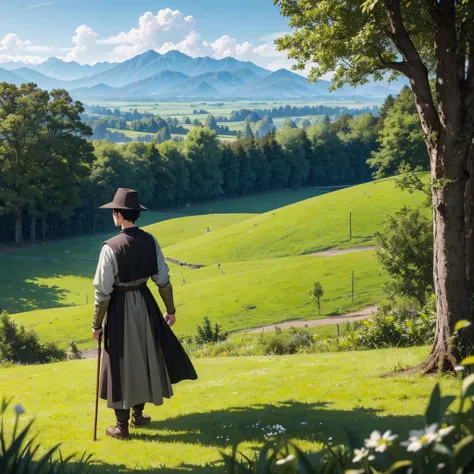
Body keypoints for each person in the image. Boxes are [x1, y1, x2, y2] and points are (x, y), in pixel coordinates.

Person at [91, 188, 197, 440]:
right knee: (144, 357)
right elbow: (163, 280)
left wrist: (96, 325)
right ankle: (137, 416)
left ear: (118, 214)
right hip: (146, 304)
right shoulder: (150, 240)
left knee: (121, 362)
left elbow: (102, 292)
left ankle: (122, 426)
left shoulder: (110, 248)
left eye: (113, 212)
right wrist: (170, 310)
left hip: (120, 309)